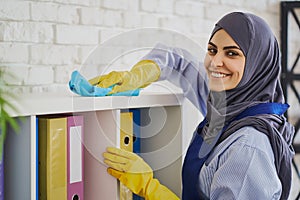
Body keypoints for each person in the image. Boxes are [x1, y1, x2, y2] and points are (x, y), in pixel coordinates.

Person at [100, 12, 295, 200]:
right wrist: (139, 74)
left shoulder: (248, 147)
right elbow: (179, 63)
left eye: (232, 53)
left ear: (257, 64)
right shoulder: (228, 105)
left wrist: (150, 188)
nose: (215, 62)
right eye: (212, 50)